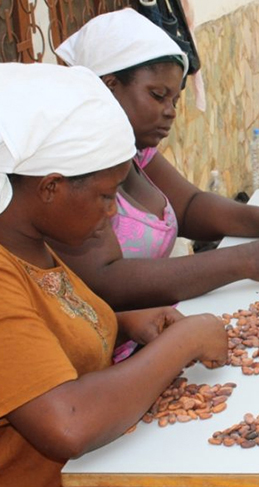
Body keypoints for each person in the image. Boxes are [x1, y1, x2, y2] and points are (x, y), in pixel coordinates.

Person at [0, 62, 228, 487]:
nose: (112, 213)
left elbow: (47, 336)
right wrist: (185, 341)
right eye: (106, 196)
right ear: (50, 188)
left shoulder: (33, 242)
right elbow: (67, 423)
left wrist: (124, 325)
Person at [51, 9, 259, 313]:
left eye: (174, 100)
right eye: (157, 95)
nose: (170, 112)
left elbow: (189, 205)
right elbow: (106, 281)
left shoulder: (136, 151)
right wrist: (244, 260)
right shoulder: (71, 173)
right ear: (109, 86)